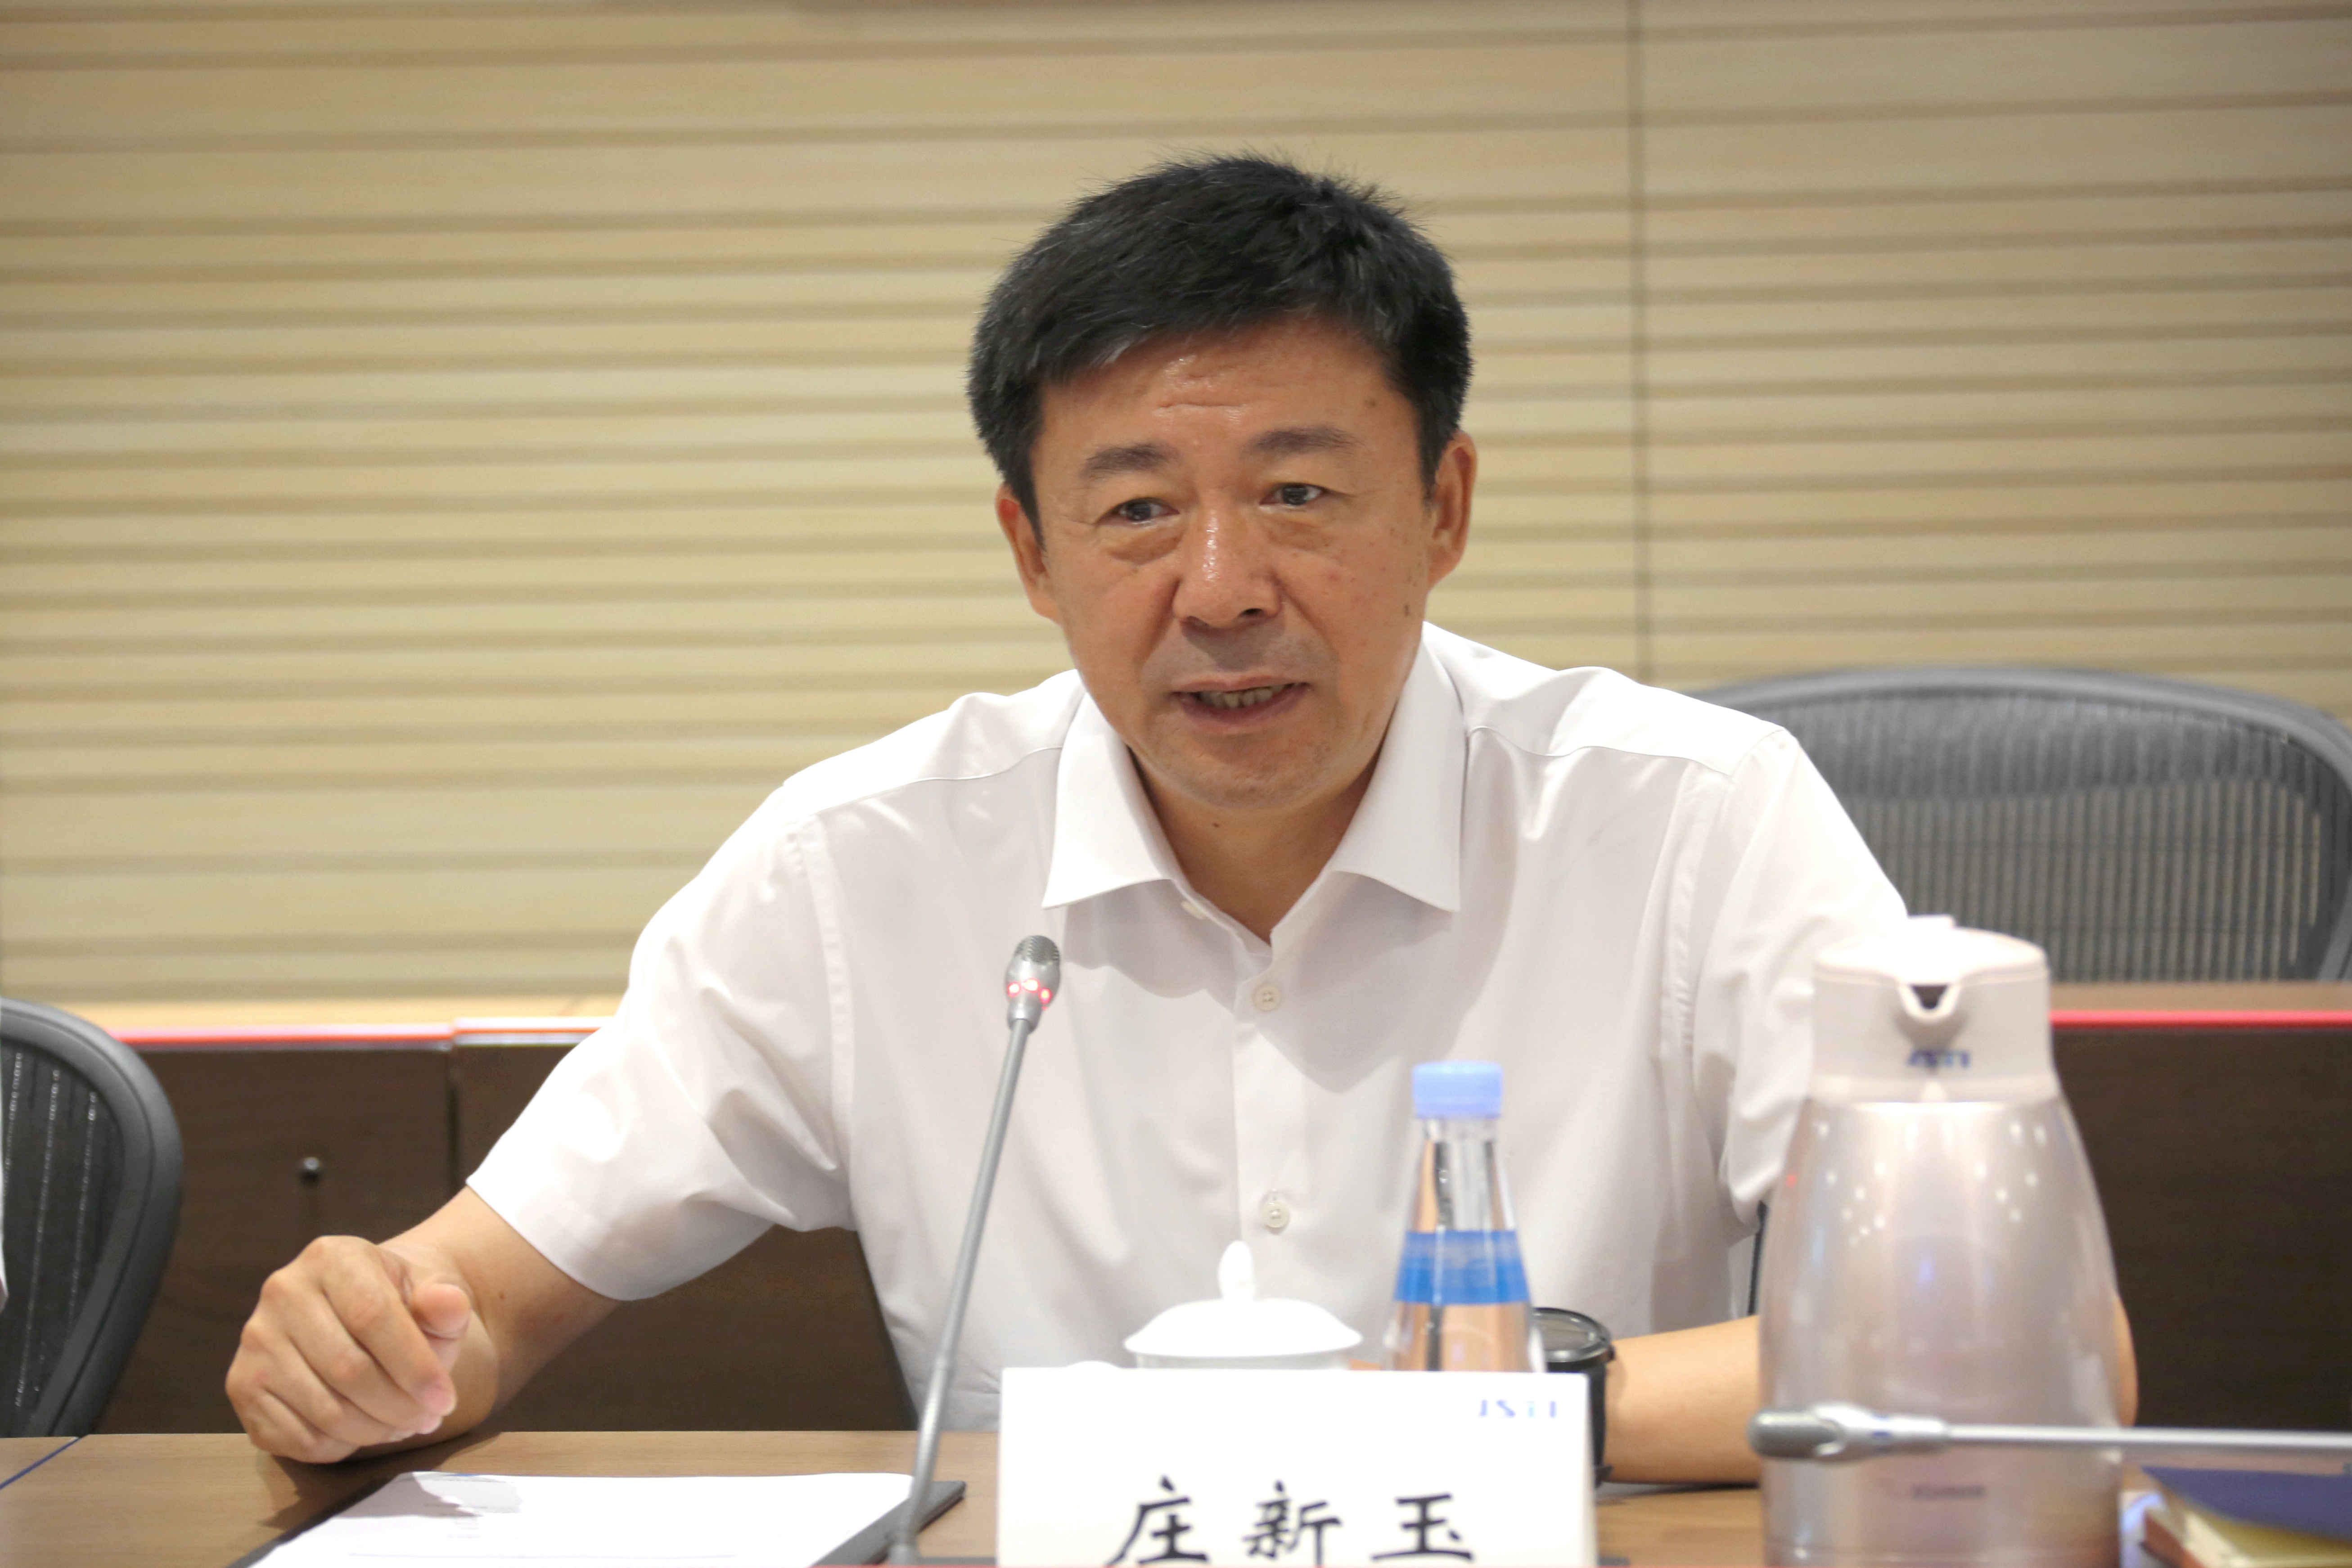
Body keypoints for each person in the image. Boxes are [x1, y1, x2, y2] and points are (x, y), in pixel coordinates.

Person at [225, 155, 1905, 1480]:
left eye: (1298, 494)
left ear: (1443, 507)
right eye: (1137, 511)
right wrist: (366, 1345)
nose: (1222, 589)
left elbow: (1961, 1340)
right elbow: (474, 1304)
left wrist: (1492, 1405)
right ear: (1032, 551)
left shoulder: (1696, 820)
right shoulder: (861, 868)